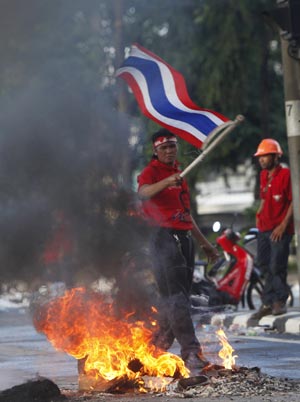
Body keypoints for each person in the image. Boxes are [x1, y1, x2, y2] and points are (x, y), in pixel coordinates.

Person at [137, 128, 219, 373]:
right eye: (164, 147)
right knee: (177, 298)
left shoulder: (179, 174)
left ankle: (154, 350)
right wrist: (164, 183)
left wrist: (205, 243)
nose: (170, 151)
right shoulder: (151, 173)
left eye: (173, 146)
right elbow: (142, 194)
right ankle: (191, 352)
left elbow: (186, 215)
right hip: (162, 238)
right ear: (156, 150)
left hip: (184, 238)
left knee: (175, 298)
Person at [251, 138, 294, 319]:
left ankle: (279, 302)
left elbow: (294, 201)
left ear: (276, 157)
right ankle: (268, 302)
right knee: (263, 264)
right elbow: (264, 198)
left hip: (280, 230)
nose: (261, 159)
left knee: (277, 266)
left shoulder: (286, 174)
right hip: (264, 228)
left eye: (265, 156)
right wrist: (259, 214)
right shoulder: (263, 176)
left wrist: (283, 226)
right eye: (260, 156)